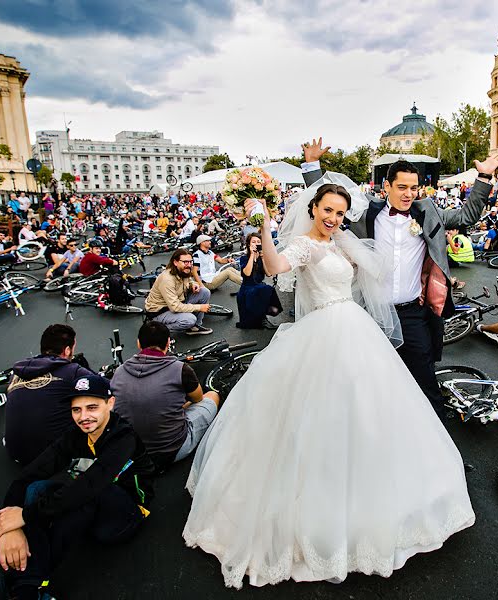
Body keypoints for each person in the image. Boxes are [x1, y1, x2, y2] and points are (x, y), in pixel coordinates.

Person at [182, 172, 476, 589]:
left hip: (354, 330)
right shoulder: (302, 244)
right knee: (315, 418)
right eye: (328, 211)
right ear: (313, 210)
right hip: (322, 333)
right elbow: (275, 266)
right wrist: (264, 226)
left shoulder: (341, 241)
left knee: (367, 413)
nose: (335, 218)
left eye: (340, 212)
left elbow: (376, 268)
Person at [296, 138, 498, 412]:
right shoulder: (366, 213)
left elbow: (466, 216)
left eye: (414, 188)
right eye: (402, 187)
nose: (408, 194)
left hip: (412, 315)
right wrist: (312, 164)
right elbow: (327, 198)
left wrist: (484, 176)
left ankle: (434, 443)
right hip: (370, 314)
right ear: (387, 187)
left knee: (425, 383)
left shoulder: (428, 212)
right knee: (366, 382)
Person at [0, 375, 154, 600]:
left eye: (92, 407)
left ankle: (22, 585)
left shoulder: (123, 437)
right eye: (76, 410)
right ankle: (28, 583)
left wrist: (26, 516)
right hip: (88, 506)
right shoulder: (75, 436)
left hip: (124, 516)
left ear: (110, 403)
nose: (83, 417)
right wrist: (10, 527)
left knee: (84, 494)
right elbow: (27, 476)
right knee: (37, 489)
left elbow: (90, 486)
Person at [111, 321, 221, 469]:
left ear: (138, 343)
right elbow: (198, 398)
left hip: (131, 452)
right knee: (212, 396)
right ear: (168, 343)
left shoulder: (119, 372)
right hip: (171, 450)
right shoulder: (180, 369)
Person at [4, 324, 95, 466]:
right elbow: (108, 388)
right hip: (52, 459)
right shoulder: (72, 370)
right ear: (67, 350)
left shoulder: (16, 374)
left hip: (15, 453)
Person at [144, 249, 212, 335]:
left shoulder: (183, 270)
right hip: (160, 311)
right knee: (189, 319)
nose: (189, 265)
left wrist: (193, 285)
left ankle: (194, 327)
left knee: (204, 292)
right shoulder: (167, 279)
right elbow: (175, 307)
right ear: (175, 262)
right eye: (185, 262)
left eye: (191, 262)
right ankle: (156, 330)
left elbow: (189, 280)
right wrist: (199, 307)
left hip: (177, 302)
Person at [236, 232, 282, 329]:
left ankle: (262, 316)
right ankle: (261, 318)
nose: (256, 243)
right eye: (253, 242)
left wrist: (262, 258)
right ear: (249, 244)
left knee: (274, 310)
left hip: (259, 288)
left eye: (258, 242)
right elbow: (247, 273)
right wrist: (252, 255)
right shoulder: (244, 258)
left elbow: (269, 274)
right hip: (247, 290)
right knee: (265, 288)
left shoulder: (262, 257)